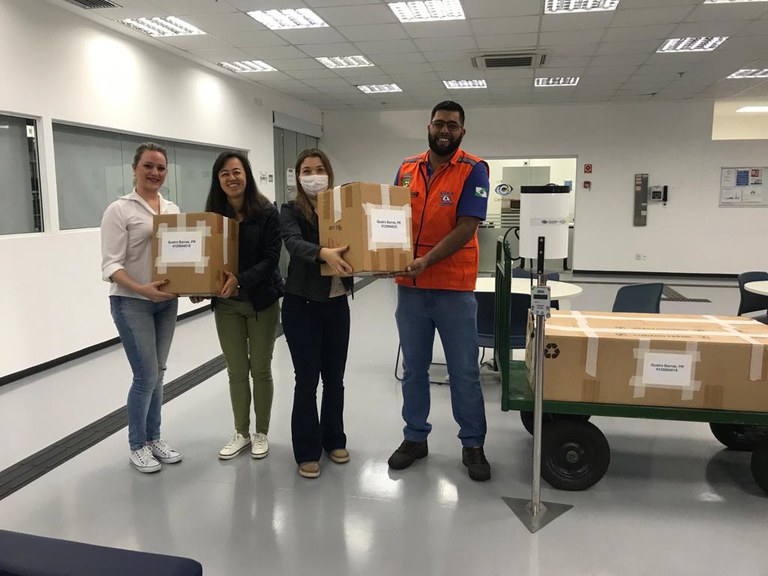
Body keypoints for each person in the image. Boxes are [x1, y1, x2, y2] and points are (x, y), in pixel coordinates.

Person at [388, 101, 492, 482]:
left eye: (452, 125)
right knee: (414, 368)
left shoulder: (474, 169)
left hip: (452, 288)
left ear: (462, 131)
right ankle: (415, 437)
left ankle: (473, 444)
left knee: (464, 371)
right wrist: (382, 256)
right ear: (428, 127)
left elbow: (467, 227)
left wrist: (426, 261)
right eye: (438, 123)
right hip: (411, 289)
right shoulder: (406, 168)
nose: (444, 130)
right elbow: (391, 219)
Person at [100, 142, 182, 474]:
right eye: (148, 166)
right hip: (131, 302)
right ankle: (137, 445)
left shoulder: (173, 209)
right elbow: (110, 266)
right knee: (146, 375)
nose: (155, 173)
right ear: (134, 168)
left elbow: (182, 259)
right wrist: (141, 288)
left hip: (166, 303)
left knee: (158, 373)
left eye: (161, 168)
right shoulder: (119, 210)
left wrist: (191, 287)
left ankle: (153, 438)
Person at [201, 151, 283, 461]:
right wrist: (202, 287)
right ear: (218, 180)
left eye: (236, 171)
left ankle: (261, 432)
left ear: (246, 174)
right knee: (236, 370)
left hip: (261, 301)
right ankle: (241, 432)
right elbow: (207, 260)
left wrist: (241, 280)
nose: (231, 178)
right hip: (226, 305)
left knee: (260, 369)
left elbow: (271, 258)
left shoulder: (267, 212)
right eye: (224, 173)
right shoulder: (212, 217)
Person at [279, 148, 353, 479]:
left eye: (319, 169)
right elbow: (294, 244)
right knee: (306, 380)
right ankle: (307, 449)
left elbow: (359, 243)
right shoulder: (290, 210)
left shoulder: (342, 210)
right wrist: (323, 252)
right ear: (298, 176)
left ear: (329, 173)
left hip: (337, 304)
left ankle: (333, 439)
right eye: (307, 171)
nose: (314, 176)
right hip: (302, 304)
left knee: (334, 379)